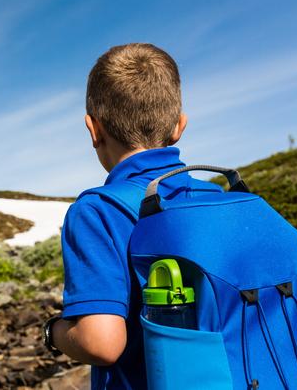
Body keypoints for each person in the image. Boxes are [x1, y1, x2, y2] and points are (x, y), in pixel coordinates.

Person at [41, 43, 222, 389]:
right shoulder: (221, 198)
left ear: (93, 129)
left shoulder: (98, 211)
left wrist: (54, 332)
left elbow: (101, 343)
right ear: (179, 127)